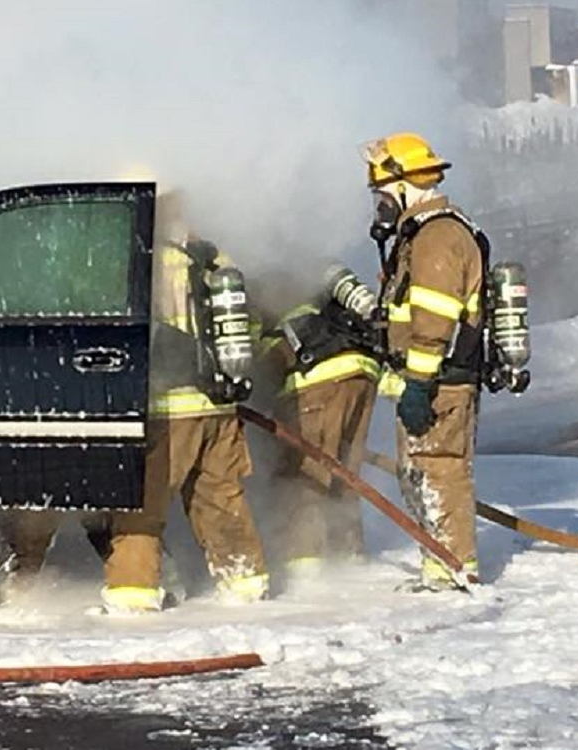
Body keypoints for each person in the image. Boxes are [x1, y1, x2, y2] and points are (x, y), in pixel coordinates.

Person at [99, 192, 269, 613]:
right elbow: (250, 323)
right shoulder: (211, 254)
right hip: (217, 404)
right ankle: (246, 588)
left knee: (140, 506)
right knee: (221, 499)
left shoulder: (139, 254)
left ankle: (132, 598)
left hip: (166, 407)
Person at [360, 132, 484, 591]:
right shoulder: (421, 234)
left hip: (439, 384)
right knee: (422, 473)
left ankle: (454, 569)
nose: (379, 204)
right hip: (430, 380)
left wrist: (417, 384)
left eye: (381, 194)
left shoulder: (437, 236)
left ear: (404, 185)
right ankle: (441, 566)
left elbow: (433, 322)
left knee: (439, 471)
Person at [261, 281, 380, 576]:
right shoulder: (309, 267)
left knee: (304, 471)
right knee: (344, 470)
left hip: (318, 378)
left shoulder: (257, 281)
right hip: (362, 373)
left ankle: (305, 562)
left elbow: (261, 356)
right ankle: (348, 553)